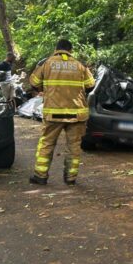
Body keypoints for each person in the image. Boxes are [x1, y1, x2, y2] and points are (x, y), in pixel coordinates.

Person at [29, 38, 95, 185]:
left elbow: (33, 83)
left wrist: (43, 89)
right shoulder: (80, 65)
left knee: (47, 143)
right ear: (70, 50)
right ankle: (71, 179)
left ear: (56, 49)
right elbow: (91, 86)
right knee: (73, 146)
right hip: (76, 114)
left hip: (53, 113)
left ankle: (40, 176)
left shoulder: (46, 63)